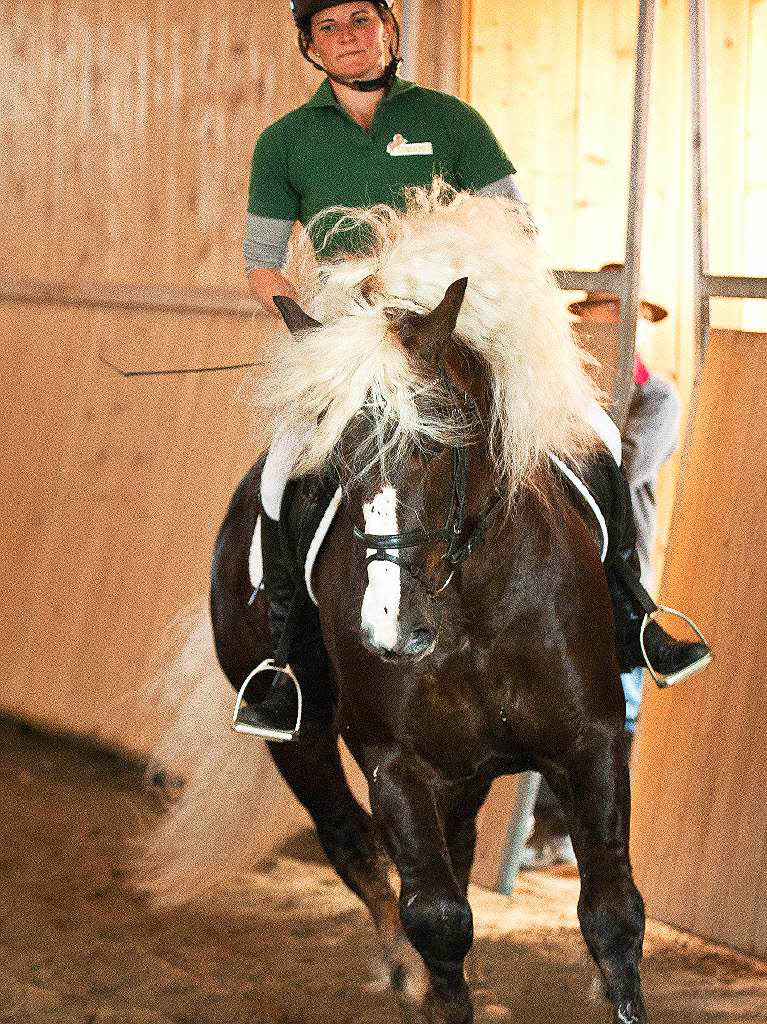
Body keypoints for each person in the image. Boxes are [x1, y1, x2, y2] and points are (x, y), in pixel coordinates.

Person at [235, 0, 711, 741]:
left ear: (388, 29)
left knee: (591, 435)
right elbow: (263, 264)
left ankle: (632, 617)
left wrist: (442, 262)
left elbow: (516, 223)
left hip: (457, 319)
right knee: (279, 477)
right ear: (310, 47)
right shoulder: (283, 142)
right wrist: (304, 324)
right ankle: (287, 666)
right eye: (327, 29)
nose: (346, 39)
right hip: (351, 335)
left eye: (359, 21)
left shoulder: (450, 119)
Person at [521, 271, 694, 869]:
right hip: (550, 564)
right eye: (604, 314)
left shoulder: (657, 398)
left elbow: (627, 461)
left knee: (615, 704)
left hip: (617, 565)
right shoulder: (554, 394)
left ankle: (586, 834)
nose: (617, 325)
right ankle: (541, 827)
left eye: (627, 317)